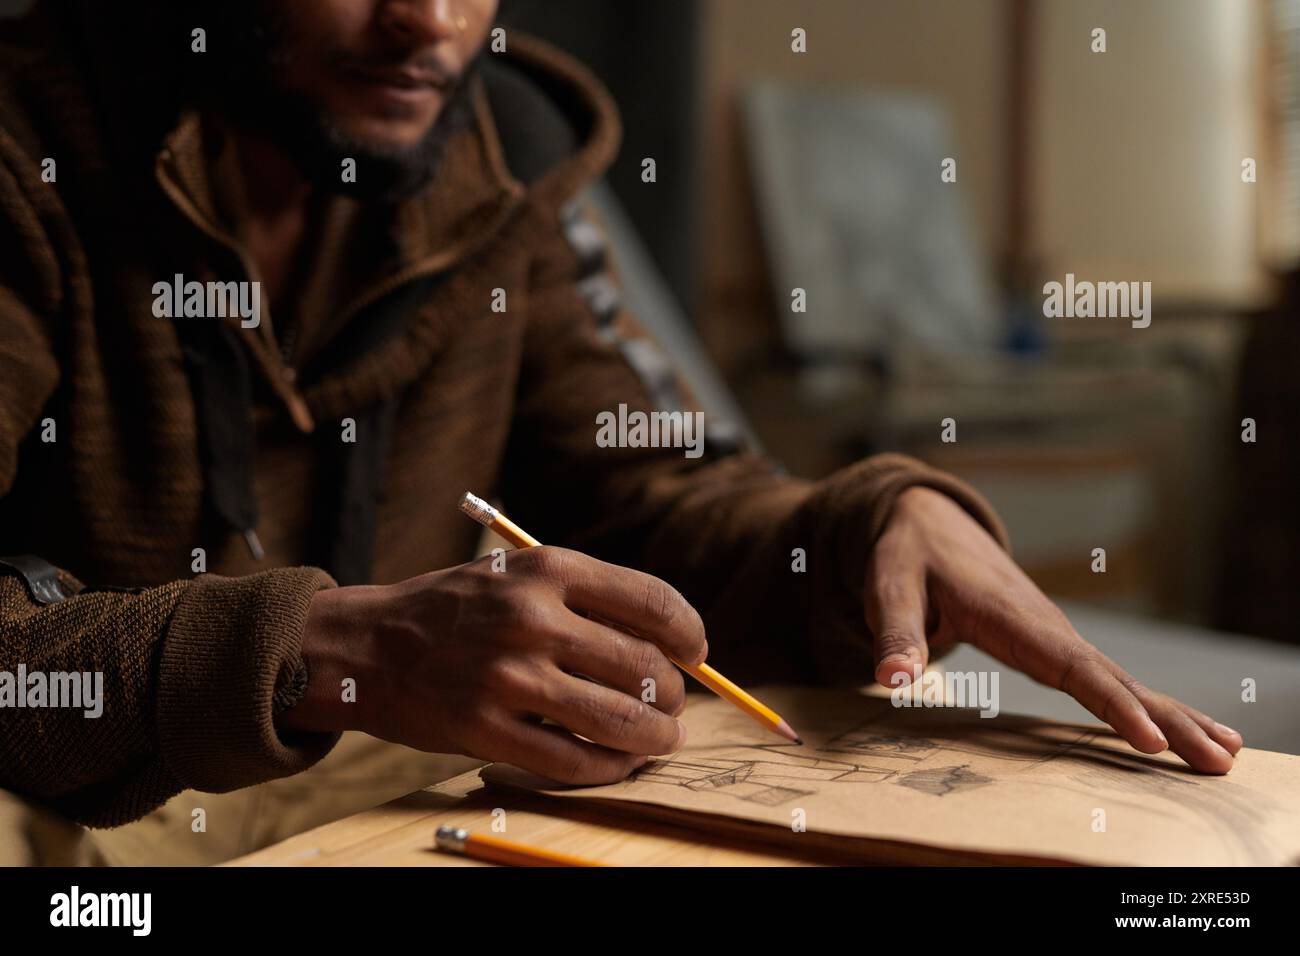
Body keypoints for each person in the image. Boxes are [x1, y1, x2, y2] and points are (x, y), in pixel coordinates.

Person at [0, 0, 1241, 865]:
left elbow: (656, 496)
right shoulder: (27, 154)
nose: (429, 23)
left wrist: (867, 524)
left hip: (383, 777)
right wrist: (330, 649)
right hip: (89, 802)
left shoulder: (492, 170)